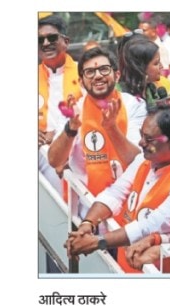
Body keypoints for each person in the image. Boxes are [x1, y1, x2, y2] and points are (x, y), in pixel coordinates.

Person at [65, 103, 170, 272]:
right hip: (127, 267)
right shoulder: (144, 161)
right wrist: (87, 224)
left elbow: (151, 225)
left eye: (149, 139)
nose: (141, 142)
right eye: (141, 135)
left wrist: (97, 242)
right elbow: (115, 193)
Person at [46, 47, 146, 200]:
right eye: (90, 72)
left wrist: (111, 128)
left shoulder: (134, 106)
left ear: (117, 75)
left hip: (127, 203)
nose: (98, 76)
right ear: (81, 81)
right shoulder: (74, 109)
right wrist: (71, 129)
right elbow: (54, 161)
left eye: (104, 70)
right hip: (86, 205)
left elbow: (137, 161)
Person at [38, 15, 80, 147]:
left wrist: (58, 133)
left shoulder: (84, 73)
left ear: (66, 42)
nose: (45, 43)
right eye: (40, 40)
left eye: (52, 38)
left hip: (77, 146)